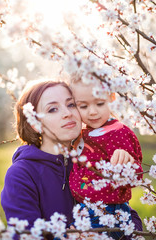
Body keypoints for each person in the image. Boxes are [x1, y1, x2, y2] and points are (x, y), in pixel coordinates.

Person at [1, 80, 142, 240]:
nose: (67, 113)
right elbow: (24, 236)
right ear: (35, 124)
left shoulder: (90, 159)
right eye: (53, 109)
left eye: (72, 105)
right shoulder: (21, 174)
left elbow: (130, 218)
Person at [69, 78, 143, 239]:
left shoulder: (119, 132)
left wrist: (127, 163)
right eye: (83, 106)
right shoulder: (83, 133)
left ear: (112, 98)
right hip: (84, 210)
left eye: (99, 103)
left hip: (109, 213)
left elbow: (136, 176)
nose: (92, 112)